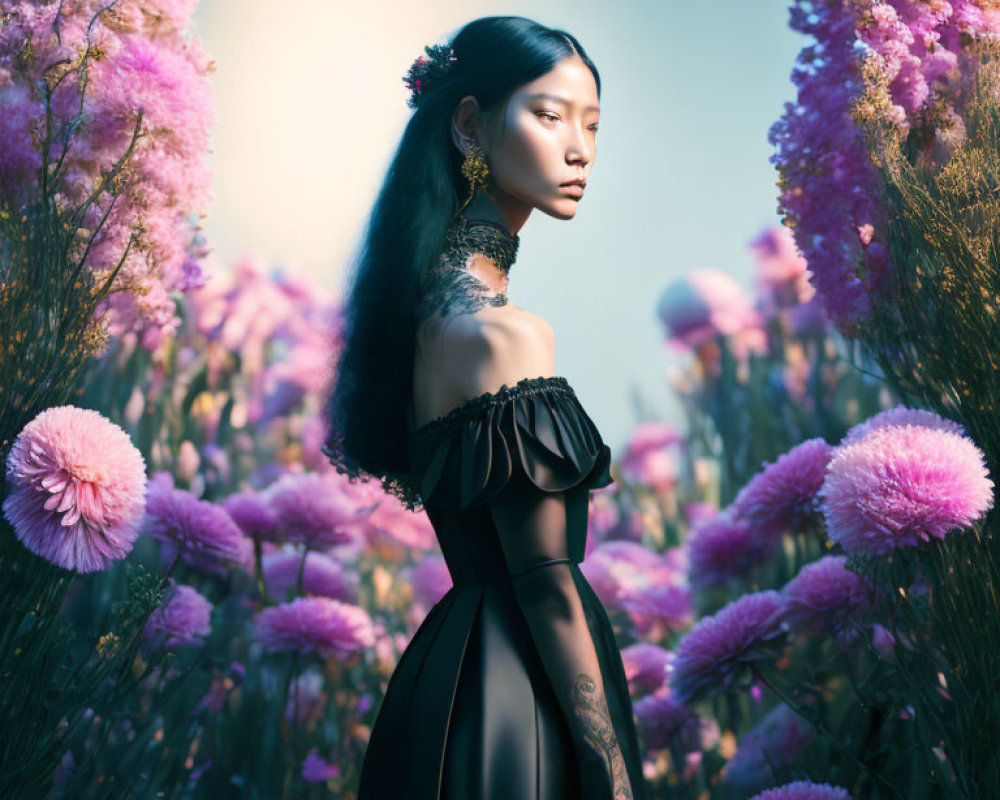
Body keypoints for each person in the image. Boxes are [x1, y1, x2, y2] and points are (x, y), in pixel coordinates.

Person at [322, 15, 647, 800]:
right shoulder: (506, 338)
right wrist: (612, 777)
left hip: (441, 698)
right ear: (469, 124)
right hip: (523, 703)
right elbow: (547, 586)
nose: (580, 149)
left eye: (592, 124)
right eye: (549, 114)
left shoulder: (420, 325)